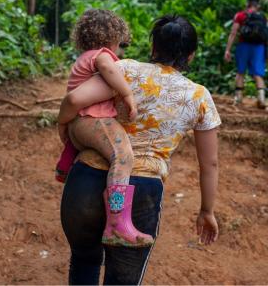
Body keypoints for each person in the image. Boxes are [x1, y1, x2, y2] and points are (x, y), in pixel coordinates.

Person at [58, 15, 221, 284]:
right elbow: (210, 164)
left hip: (85, 181)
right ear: (191, 56)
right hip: (141, 191)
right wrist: (207, 211)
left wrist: (63, 128)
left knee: (84, 261)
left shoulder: (124, 69)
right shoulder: (199, 97)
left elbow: (75, 100)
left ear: (154, 48)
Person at [55, 9, 154, 247]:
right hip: (93, 120)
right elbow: (108, 69)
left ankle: (67, 168)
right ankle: (117, 222)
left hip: (79, 126)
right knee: (122, 156)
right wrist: (127, 93)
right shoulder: (101, 55)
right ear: (113, 36)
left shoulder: (83, 57)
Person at [224, 0, 268, 109]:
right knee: (258, 74)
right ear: (257, 5)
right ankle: (262, 99)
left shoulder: (240, 15)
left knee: (240, 72)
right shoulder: (263, 17)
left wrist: (228, 49)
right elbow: (267, 36)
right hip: (259, 47)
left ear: (247, 4)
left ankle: (238, 99)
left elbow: (233, 32)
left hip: (243, 46)